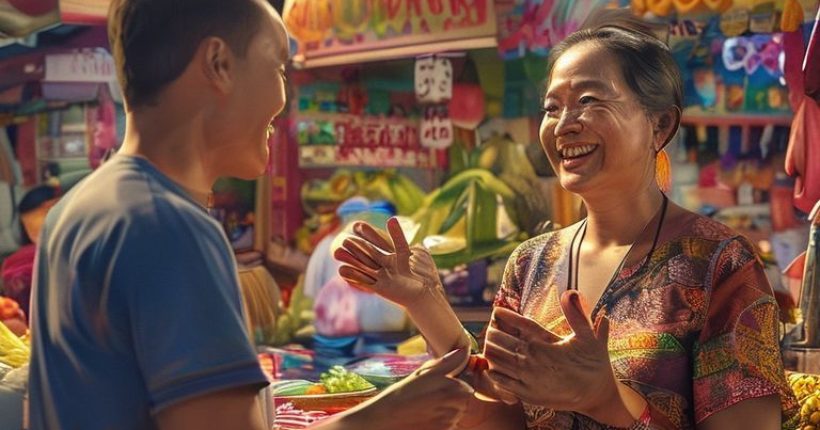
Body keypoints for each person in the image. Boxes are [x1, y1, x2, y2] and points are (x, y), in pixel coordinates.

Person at [335, 8, 798, 430]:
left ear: (659, 125)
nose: (563, 124)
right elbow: (505, 414)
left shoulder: (719, 263)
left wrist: (607, 400)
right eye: (552, 108)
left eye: (589, 100)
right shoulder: (531, 263)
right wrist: (425, 302)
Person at [28, 1, 472, 429]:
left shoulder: (75, 211)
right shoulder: (169, 226)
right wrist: (382, 418)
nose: (284, 96)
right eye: (278, 67)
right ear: (219, 63)